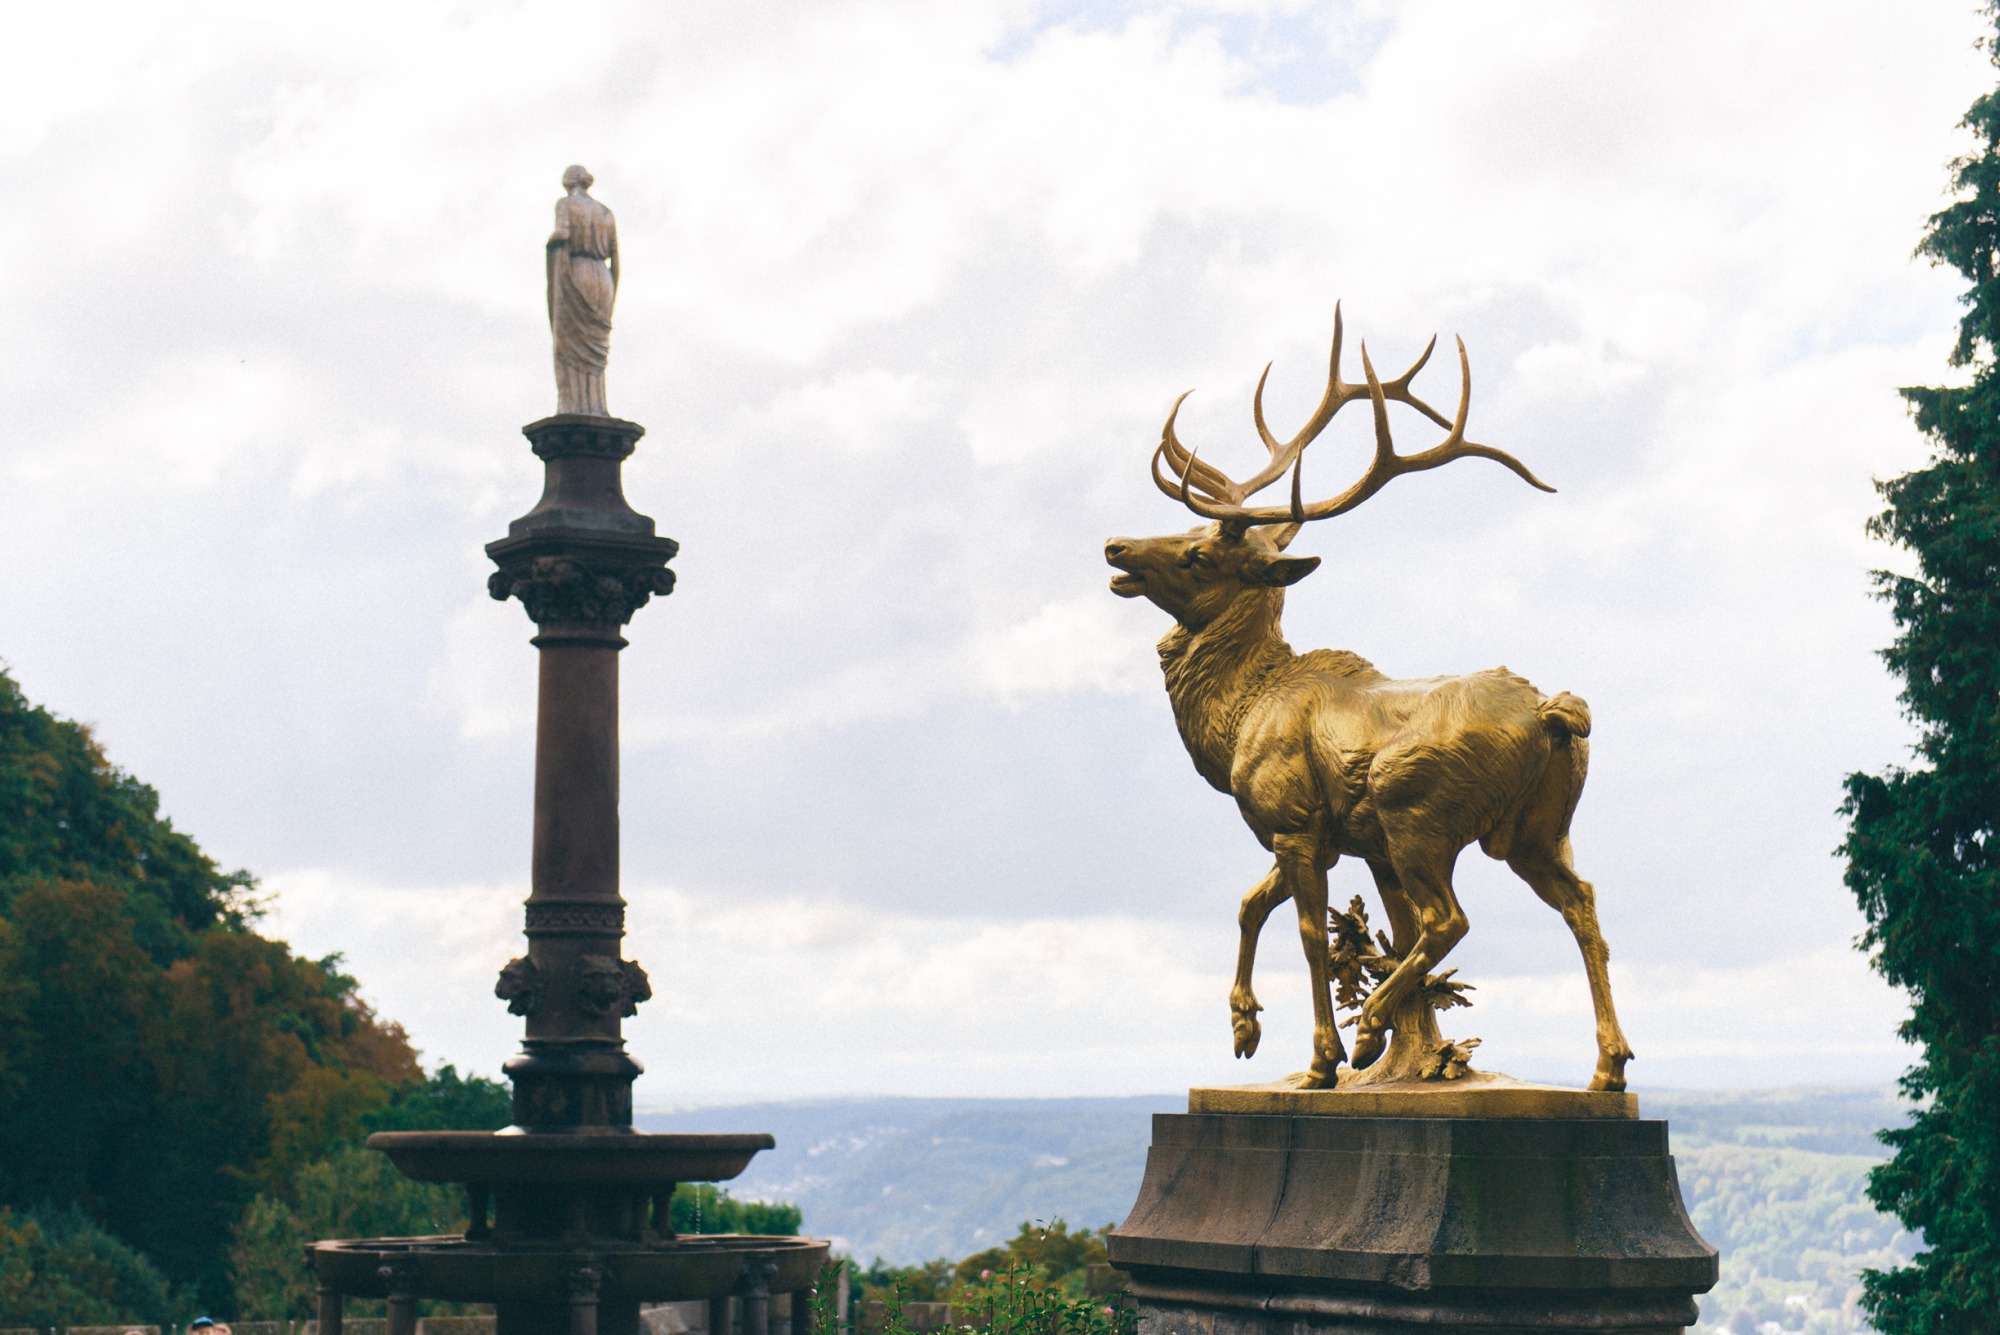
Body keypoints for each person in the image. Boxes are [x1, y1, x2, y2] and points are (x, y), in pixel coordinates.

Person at [547, 164, 619, 417]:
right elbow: (616, 260)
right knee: (596, 346)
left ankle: (573, 406)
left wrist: (551, 244)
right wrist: (611, 295)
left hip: (577, 270)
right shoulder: (605, 213)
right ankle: (596, 405)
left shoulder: (565, 205)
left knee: (567, 344)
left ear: (568, 182)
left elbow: (563, 233)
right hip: (602, 277)